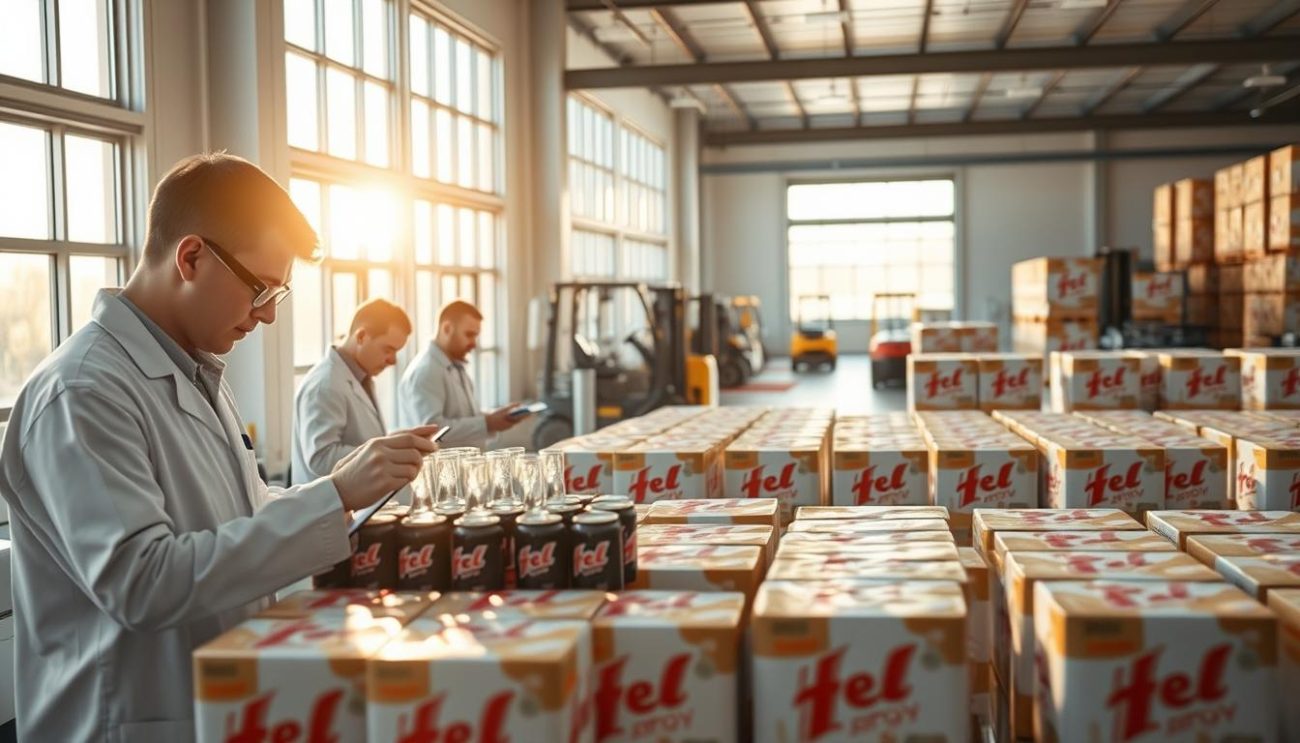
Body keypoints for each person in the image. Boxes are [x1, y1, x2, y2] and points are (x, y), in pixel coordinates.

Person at [0, 153, 438, 742]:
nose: (265, 315)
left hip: (218, 703)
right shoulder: (82, 392)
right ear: (191, 257)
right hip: (123, 722)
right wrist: (334, 491)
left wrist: (343, 497)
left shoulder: (195, 373)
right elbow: (142, 581)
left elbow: (243, 515)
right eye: (261, 288)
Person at [291, 298, 410, 487]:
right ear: (361, 337)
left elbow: (363, 440)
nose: (393, 361)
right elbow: (321, 459)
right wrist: (386, 451)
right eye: (388, 349)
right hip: (329, 511)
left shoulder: (361, 377)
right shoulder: (324, 384)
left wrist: (397, 443)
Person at [398, 300, 522, 448]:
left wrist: (494, 418)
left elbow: (462, 416)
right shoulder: (426, 371)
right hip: (441, 468)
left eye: (475, 336)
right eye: (469, 335)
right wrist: (487, 423)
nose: (474, 344)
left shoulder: (454, 366)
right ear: (447, 328)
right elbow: (433, 431)